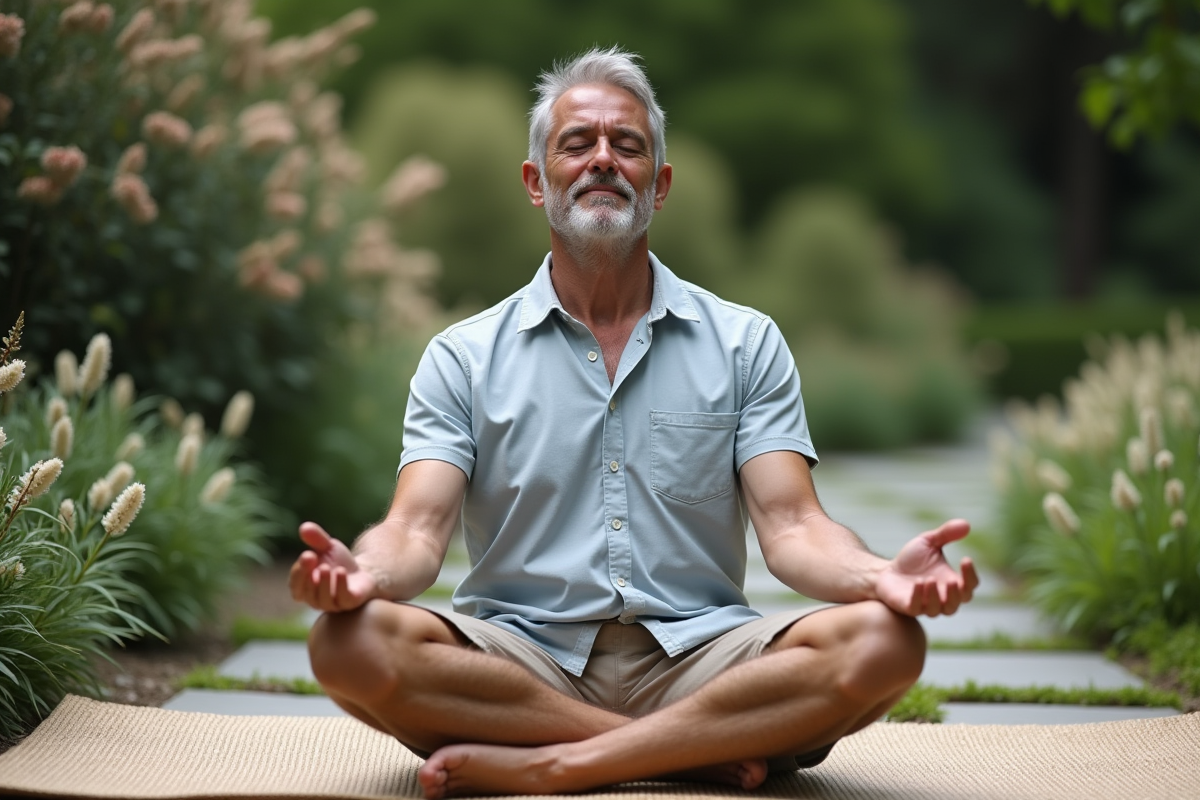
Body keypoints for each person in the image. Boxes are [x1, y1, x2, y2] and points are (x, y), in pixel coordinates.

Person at [290, 46, 979, 798]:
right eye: (576, 144)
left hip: (703, 659)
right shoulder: (463, 357)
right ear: (535, 181)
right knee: (349, 644)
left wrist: (881, 576)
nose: (603, 160)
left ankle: (558, 765)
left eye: (628, 144)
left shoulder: (745, 343)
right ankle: (687, 754)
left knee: (883, 641)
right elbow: (416, 531)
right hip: (521, 662)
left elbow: (792, 526)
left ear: (660, 185)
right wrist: (363, 573)